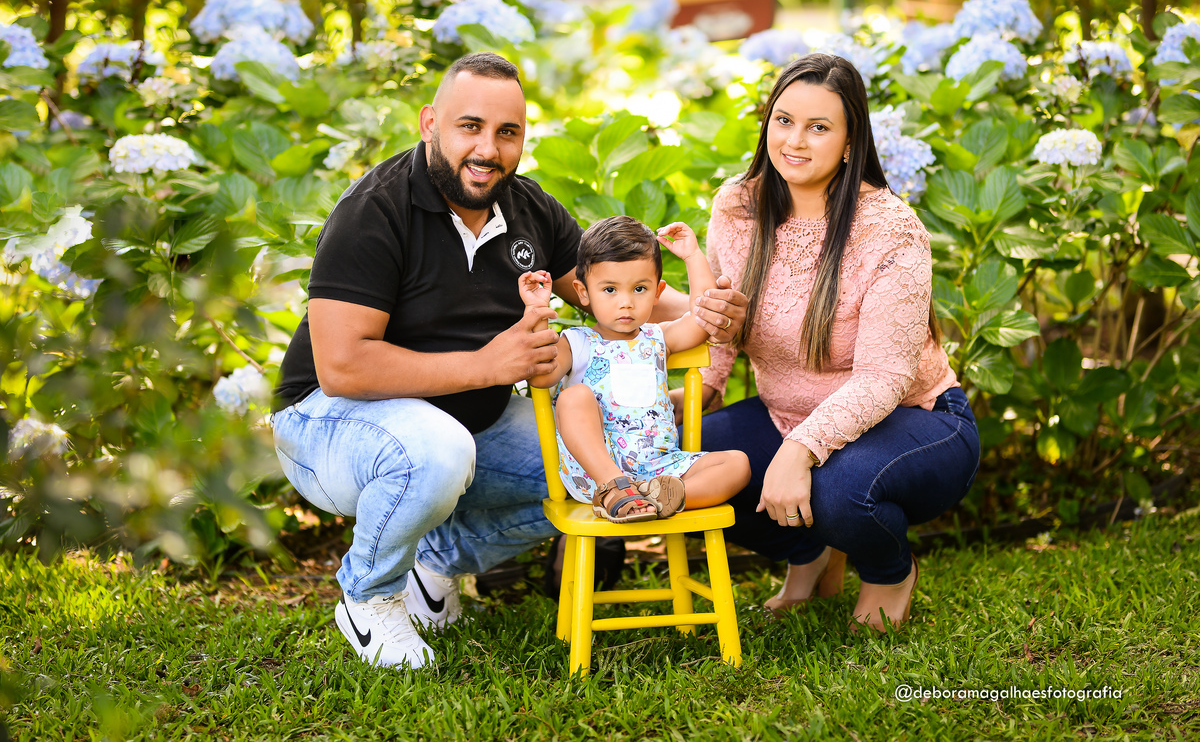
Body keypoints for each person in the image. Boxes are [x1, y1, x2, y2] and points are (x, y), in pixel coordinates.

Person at [269, 52, 748, 668]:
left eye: (507, 132)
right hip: (329, 421)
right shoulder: (375, 211)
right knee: (438, 450)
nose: (487, 149)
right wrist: (487, 366)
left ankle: (432, 568)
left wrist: (708, 312)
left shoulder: (528, 208)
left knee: (594, 466)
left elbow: (613, 290)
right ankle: (370, 596)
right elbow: (343, 367)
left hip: (469, 422)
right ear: (429, 124)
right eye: (470, 126)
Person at [689, 53, 980, 631]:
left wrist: (798, 450)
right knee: (690, 459)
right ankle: (811, 554)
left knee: (837, 490)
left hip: (913, 417)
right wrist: (709, 387)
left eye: (819, 127)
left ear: (849, 142)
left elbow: (885, 378)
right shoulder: (738, 207)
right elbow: (727, 315)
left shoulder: (890, 230)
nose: (795, 141)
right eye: (784, 120)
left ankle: (888, 570)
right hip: (786, 412)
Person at [522, 216, 750, 522]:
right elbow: (540, 376)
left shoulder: (659, 338)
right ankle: (618, 490)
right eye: (610, 290)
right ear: (583, 291)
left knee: (738, 464)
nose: (626, 303)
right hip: (599, 476)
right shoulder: (576, 343)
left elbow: (702, 318)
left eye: (640, 289)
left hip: (660, 469)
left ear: (658, 292)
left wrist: (694, 256)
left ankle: (668, 498)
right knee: (573, 397)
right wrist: (538, 312)